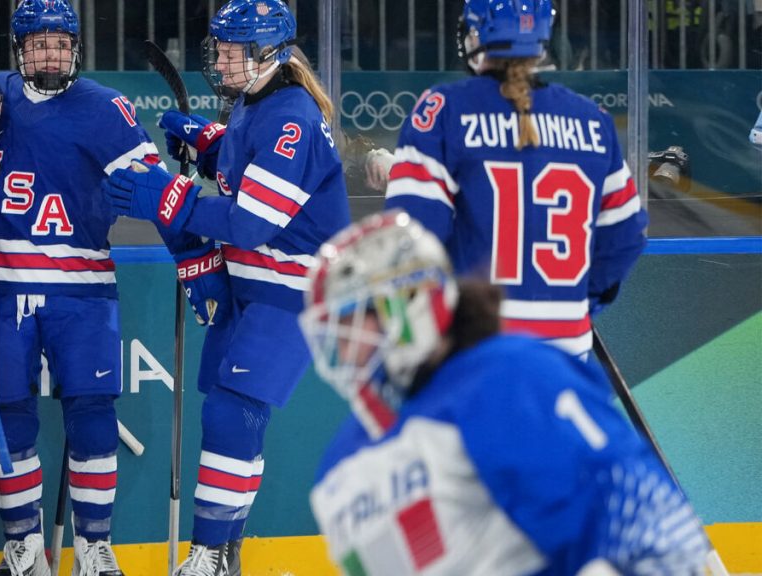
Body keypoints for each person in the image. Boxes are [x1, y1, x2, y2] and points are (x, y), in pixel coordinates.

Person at [299, 210, 711, 575]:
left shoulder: (510, 380)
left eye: (351, 321)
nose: (342, 349)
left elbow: (646, 523)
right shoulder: (340, 464)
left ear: (407, 303)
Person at [102, 1, 350, 573]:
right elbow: (246, 163)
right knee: (230, 413)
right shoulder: (254, 102)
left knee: (233, 414)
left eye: (233, 49)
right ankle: (225, 555)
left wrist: (169, 197)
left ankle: (210, 555)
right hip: (252, 284)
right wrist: (211, 143)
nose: (220, 59)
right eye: (220, 47)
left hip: (293, 289)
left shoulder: (294, 115)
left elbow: (250, 221)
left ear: (270, 53)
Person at [0, 1, 159, 574]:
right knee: (9, 417)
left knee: (93, 414)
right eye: (38, 43)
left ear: (75, 48)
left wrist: (179, 198)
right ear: (18, 49)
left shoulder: (106, 109)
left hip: (82, 291)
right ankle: (25, 545)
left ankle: (94, 548)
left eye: (60, 43)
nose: (49, 53)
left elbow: (152, 185)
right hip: (0, 290)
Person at [386, 0, 647, 358]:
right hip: (566, 349)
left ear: (475, 35)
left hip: (477, 347)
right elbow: (625, 235)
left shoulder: (442, 110)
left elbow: (411, 237)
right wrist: (577, 302)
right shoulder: (594, 121)